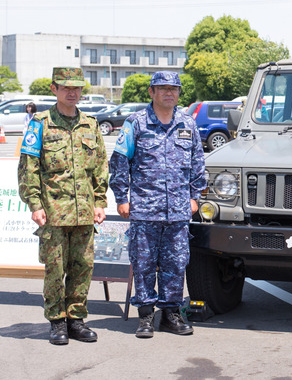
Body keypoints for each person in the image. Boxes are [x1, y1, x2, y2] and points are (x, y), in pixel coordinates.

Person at [109, 71, 206, 338]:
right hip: (144, 208)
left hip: (178, 210)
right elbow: (119, 162)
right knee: (143, 263)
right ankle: (145, 316)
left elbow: (198, 163)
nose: (168, 93)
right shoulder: (136, 123)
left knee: (176, 263)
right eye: (162, 89)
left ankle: (171, 314)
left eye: (173, 89)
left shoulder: (188, 123)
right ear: (151, 92)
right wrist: (122, 198)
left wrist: (195, 197)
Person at [18, 67, 108, 345]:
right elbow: (28, 167)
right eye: (66, 87)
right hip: (54, 212)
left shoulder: (90, 124)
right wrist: (34, 203)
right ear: (53, 88)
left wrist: (100, 201)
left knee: (83, 267)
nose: (72, 92)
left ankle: (76, 320)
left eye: (77, 88)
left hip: (84, 212)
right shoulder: (40, 123)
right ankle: (57, 321)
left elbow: (100, 167)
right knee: (55, 269)